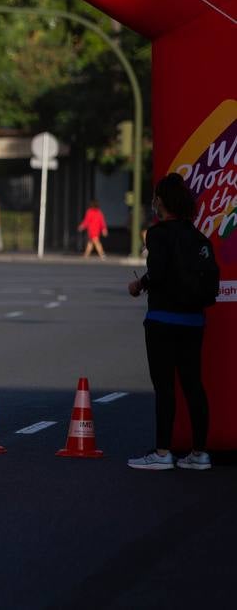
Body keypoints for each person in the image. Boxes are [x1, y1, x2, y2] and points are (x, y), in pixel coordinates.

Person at [126, 173, 212, 471]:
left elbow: (159, 273)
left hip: (163, 319)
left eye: (155, 198)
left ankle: (163, 453)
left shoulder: (157, 234)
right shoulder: (199, 238)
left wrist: (140, 285)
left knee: (164, 386)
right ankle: (200, 453)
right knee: (193, 385)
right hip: (193, 321)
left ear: (160, 201)